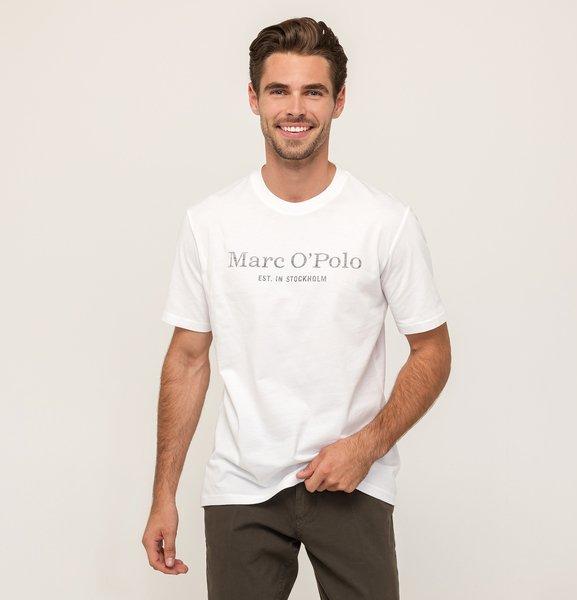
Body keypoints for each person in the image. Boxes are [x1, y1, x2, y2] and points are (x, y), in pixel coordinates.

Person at [142, 16, 452, 600]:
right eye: (279, 90)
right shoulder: (211, 223)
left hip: (352, 481)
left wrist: (367, 446)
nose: (295, 108)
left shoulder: (384, 222)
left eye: (313, 91)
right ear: (253, 98)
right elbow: (187, 359)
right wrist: (164, 495)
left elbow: (432, 350)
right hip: (241, 487)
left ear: (339, 102)